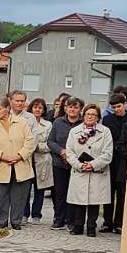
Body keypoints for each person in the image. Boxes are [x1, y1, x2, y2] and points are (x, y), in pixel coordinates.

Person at [63, 104, 113, 237]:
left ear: (98, 117)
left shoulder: (105, 132)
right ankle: (78, 226)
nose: (90, 117)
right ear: (83, 115)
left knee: (94, 201)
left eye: (93, 115)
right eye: (88, 114)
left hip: (97, 172)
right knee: (79, 200)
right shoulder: (74, 132)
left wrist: (93, 164)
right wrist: (79, 165)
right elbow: (69, 151)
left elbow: (107, 153)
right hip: (79, 171)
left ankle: (91, 226)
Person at [0, 92, 35, 230]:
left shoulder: (22, 122)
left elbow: (30, 142)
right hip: (1, 164)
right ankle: (2, 221)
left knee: (19, 196)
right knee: (1, 196)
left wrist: (19, 156)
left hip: (21, 164)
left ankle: (16, 221)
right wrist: (2, 156)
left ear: (7, 108)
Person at [47, 97, 84, 228]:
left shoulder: (84, 124)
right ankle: (58, 218)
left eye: (75, 107)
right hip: (59, 163)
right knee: (59, 192)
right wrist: (61, 151)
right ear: (65, 108)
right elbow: (50, 141)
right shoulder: (58, 122)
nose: (72, 109)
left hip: (77, 164)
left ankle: (71, 220)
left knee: (73, 192)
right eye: (70, 107)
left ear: (80, 109)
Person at [100, 93, 127, 234]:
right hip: (110, 159)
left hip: (124, 160)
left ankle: (119, 222)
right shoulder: (107, 119)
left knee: (122, 193)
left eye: (119, 106)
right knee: (108, 192)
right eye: (114, 107)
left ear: (125, 104)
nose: (117, 109)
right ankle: (107, 222)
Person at [25, 97, 54, 224]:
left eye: (40, 107)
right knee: (25, 189)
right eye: (35, 107)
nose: (37, 109)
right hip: (27, 159)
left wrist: (37, 147)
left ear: (43, 110)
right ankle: (24, 214)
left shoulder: (48, 125)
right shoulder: (25, 122)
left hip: (41, 159)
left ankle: (36, 214)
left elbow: (50, 144)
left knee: (39, 189)